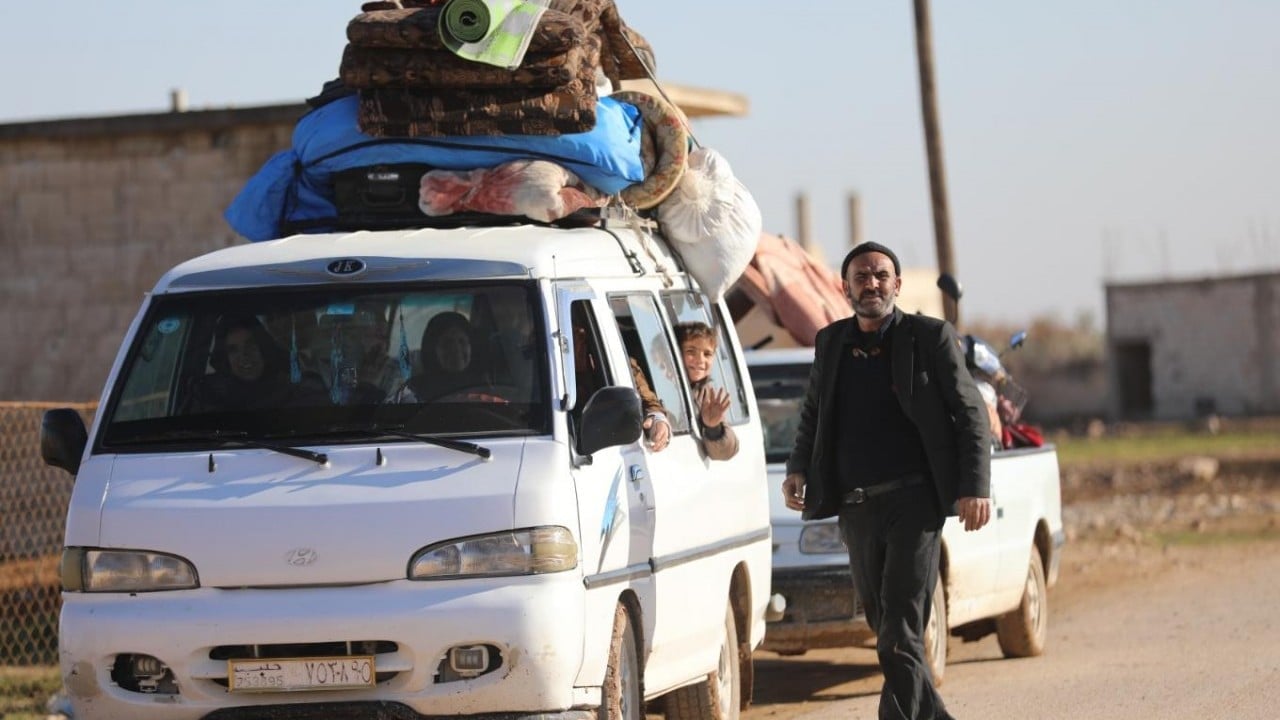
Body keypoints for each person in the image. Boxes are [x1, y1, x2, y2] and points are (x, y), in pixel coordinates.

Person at [782, 241, 992, 720]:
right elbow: (813, 412)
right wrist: (797, 467)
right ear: (845, 287)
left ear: (896, 285)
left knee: (898, 628)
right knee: (887, 628)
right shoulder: (830, 342)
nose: (871, 283)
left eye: (880, 275)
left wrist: (974, 486)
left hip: (915, 503)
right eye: (861, 276)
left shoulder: (929, 337)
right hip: (856, 508)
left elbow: (970, 413)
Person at [185, 314, 296, 413]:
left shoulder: (293, 392)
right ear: (225, 359)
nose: (244, 355)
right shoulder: (208, 400)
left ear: (263, 347)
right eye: (233, 350)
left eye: (250, 345)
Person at [392, 311, 489, 403]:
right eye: (447, 343)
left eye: (462, 341)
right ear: (433, 351)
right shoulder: (413, 390)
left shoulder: (484, 385)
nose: (456, 350)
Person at [674, 321, 738, 460]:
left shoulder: (706, 394)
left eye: (707, 354)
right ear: (675, 353)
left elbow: (724, 453)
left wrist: (713, 428)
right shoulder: (664, 387)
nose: (700, 360)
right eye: (691, 351)